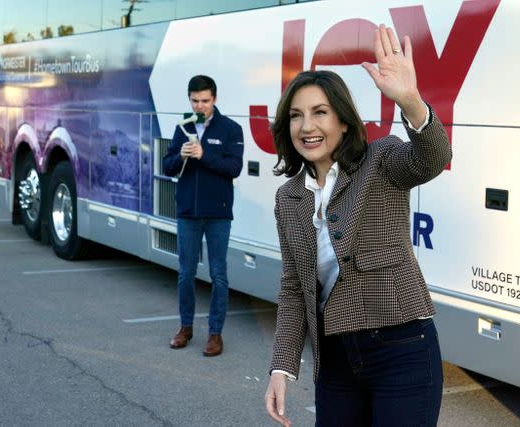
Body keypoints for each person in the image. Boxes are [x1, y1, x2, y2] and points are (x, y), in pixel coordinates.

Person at [264, 25, 451, 426]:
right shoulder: (288, 198)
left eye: (319, 113)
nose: (306, 126)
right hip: (334, 360)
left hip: (402, 350)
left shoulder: (380, 161)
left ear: (344, 122)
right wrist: (282, 367)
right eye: (296, 115)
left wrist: (411, 102)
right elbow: (294, 288)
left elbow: (432, 158)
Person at [162, 75, 244, 357]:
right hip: (187, 213)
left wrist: (203, 154)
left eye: (205, 101)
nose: (200, 106)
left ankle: (215, 334)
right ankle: (185, 328)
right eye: (195, 101)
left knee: (218, 275)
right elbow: (168, 166)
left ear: (215, 99)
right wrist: (181, 156)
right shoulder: (182, 127)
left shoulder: (231, 129)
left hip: (218, 214)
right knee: (185, 274)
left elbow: (234, 168)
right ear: (189, 99)